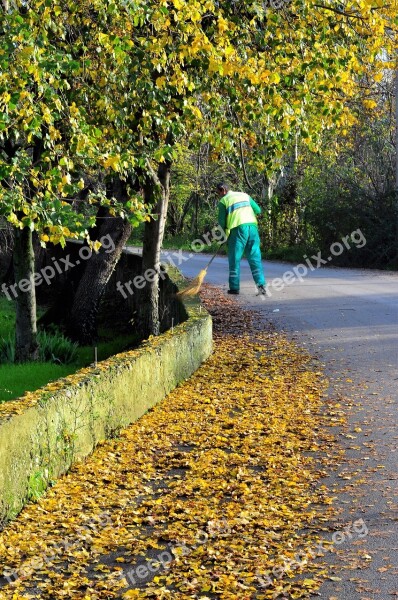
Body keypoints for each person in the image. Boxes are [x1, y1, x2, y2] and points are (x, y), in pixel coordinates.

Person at [216, 183, 267, 296]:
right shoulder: (245, 195)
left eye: (218, 193)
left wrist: (223, 236)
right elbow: (258, 210)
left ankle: (234, 288)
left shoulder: (223, 201)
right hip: (252, 228)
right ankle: (261, 285)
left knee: (235, 258)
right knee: (255, 258)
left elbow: (221, 222)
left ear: (223, 190)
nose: (219, 195)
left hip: (238, 230)